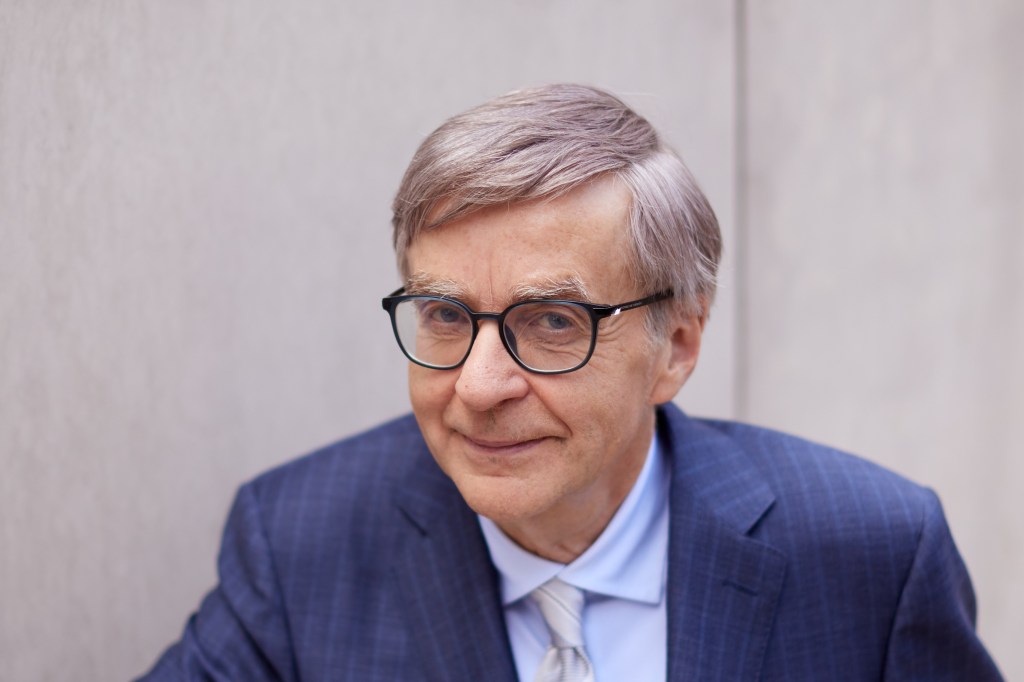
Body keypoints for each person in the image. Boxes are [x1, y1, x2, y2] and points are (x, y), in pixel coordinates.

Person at [138, 84, 1002, 681]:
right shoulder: (298, 544)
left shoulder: (872, 553)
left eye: (551, 322)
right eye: (445, 314)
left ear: (678, 346)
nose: (479, 386)